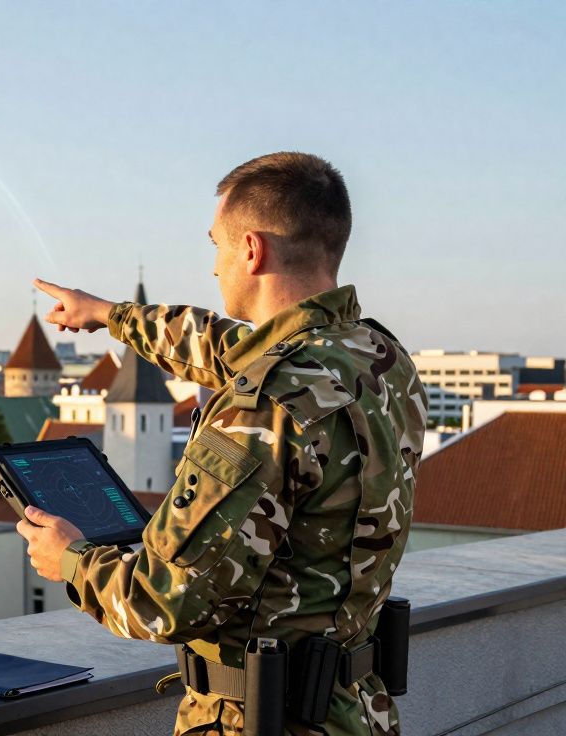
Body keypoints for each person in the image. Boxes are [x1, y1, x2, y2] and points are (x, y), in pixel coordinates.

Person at [23, 152, 426, 736]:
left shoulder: (264, 406)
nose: (214, 268)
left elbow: (162, 600)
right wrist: (109, 315)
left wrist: (69, 557)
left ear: (252, 250)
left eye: (216, 245)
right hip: (358, 709)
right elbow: (228, 348)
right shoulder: (380, 359)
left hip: (262, 719)